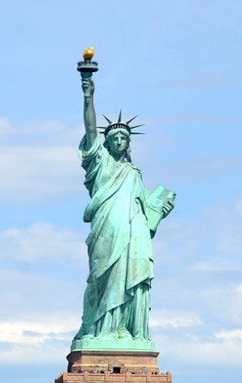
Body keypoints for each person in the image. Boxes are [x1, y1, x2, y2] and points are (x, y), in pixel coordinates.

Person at [74, 74, 173, 343]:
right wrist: (88, 95)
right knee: (102, 277)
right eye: (115, 137)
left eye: (124, 138)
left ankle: (123, 329)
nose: (119, 141)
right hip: (106, 230)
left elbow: (146, 213)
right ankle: (99, 328)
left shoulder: (134, 173)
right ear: (107, 143)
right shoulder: (101, 164)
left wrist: (160, 212)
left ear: (129, 144)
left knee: (132, 275)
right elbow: (91, 131)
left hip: (133, 235)